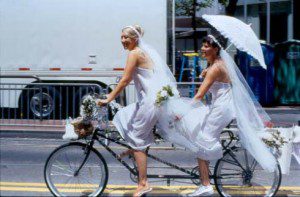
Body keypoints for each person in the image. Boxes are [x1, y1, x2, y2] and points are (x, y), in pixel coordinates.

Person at [155, 34, 277, 196]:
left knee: (201, 142)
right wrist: (208, 70)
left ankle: (205, 185)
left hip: (221, 109)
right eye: (203, 45)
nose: (202, 49)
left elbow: (198, 96)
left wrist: (181, 113)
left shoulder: (215, 68)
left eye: (206, 46)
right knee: (198, 135)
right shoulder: (218, 64)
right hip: (220, 106)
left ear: (216, 49)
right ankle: (204, 180)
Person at [97, 25, 177, 197]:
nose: (123, 40)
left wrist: (108, 98)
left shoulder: (134, 54)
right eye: (121, 37)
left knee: (137, 138)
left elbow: (126, 79)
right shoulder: (143, 52)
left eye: (126, 37)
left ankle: (143, 183)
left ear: (135, 38)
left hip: (149, 103)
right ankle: (131, 151)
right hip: (150, 102)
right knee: (124, 117)